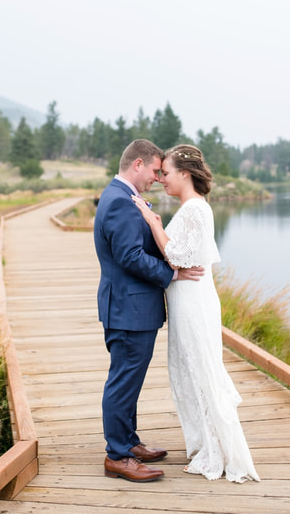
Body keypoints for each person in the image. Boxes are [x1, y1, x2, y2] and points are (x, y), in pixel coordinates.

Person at [132, 144, 260, 482]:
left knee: (200, 371)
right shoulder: (192, 207)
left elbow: (175, 257)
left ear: (185, 174)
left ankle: (215, 451)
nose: (162, 180)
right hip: (186, 298)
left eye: (167, 173)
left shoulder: (193, 210)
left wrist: (152, 220)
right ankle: (206, 445)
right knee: (189, 371)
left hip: (192, 302)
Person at [94, 139, 205, 483]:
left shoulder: (124, 198)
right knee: (123, 381)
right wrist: (173, 272)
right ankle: (118, 456)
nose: (157, 178)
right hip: (128, 308)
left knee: (130, 380)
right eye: (155, 170)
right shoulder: (119, 203)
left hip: (133, 307)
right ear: (137, 165)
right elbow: (130, 256)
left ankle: (128, 442)